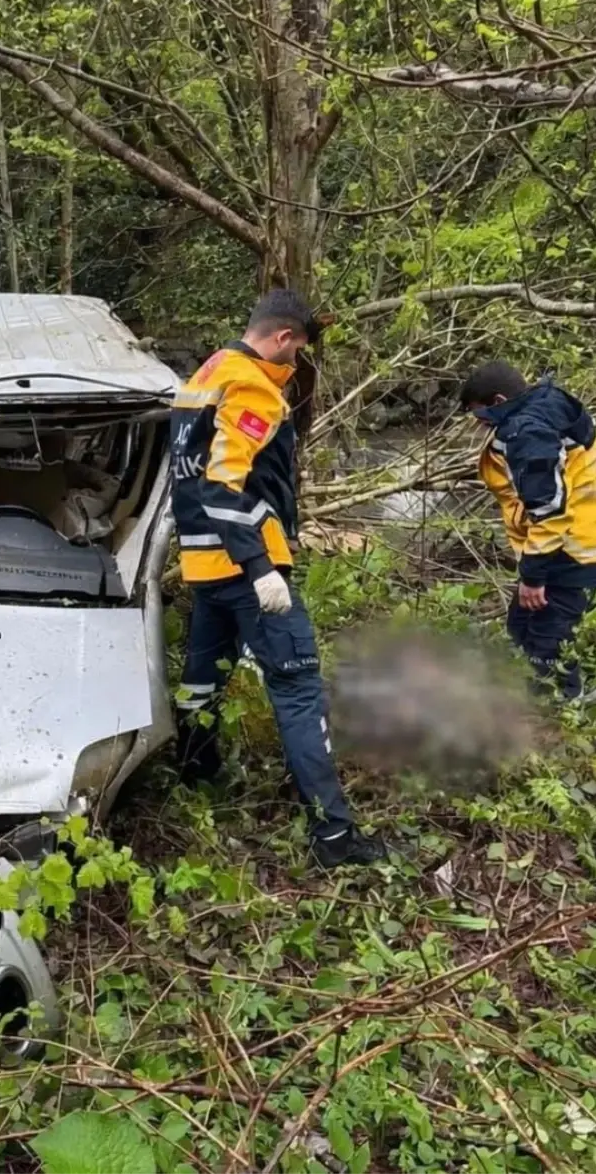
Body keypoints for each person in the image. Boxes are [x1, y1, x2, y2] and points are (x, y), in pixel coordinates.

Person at [170, 288, 384, 869]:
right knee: (298, 690)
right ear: (284, 337)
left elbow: (188, 481)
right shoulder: (252, 388)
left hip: (203, 564)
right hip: (247, 568)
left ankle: (196, 779)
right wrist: (262, 568)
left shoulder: (205, 374)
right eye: (298, 352)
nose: (296, 366)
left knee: (202, 681)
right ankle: (334, 838)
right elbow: (220, 483)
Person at [460, 362, 596, 699]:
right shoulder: (547, 403)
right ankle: (521, 705)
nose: (479, 422)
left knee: (547, 646)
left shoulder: (528, 432)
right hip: (563, 546)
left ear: (499, 399)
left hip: (566, 554)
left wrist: (533, 577)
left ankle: (556, 721)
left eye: (478, 413)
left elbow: (549, 512)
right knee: (520, 630)